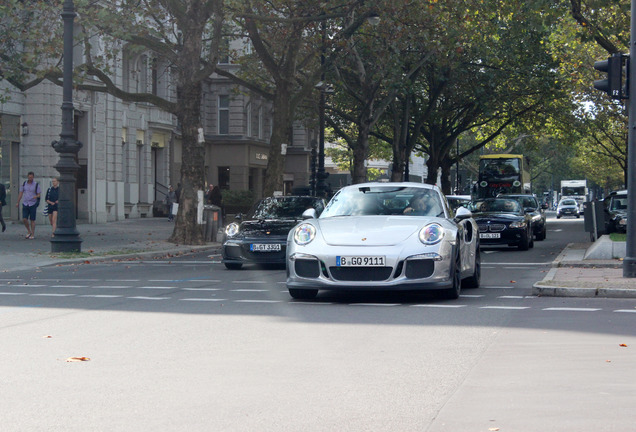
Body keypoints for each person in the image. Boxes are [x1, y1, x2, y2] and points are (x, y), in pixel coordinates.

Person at [16, 172, 41, 239]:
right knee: (24, 219)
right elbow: (21, 193)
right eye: (29, 177)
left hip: (33, 203)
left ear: (33, 177)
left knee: (32, 219)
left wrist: (36, 196)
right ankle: (28, 231)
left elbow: (39, 194)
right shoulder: (24, 184)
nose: (30, 178)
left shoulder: (36, 185)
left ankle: (32, 234)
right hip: (25, 203)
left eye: (31, 177)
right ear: (27, 177)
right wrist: (17, 202)